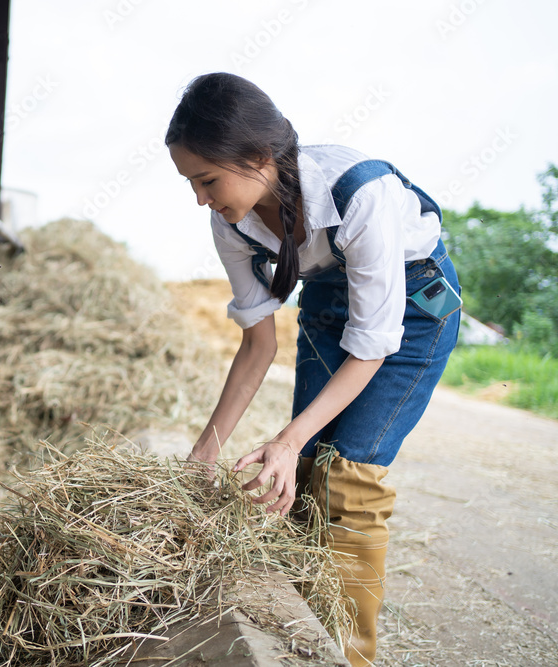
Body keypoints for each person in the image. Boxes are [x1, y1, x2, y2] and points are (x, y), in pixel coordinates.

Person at [165, 73, 461, 666]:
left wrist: (287, 436)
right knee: (298, 478)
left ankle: (348, 657)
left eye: (206, 180)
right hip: (328, 302)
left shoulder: (360, 190)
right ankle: (305, 637)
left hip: (412, 312)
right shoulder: (230, 220)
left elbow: (374, 344)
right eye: (191, 184)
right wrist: (205, 452)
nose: (201, 198)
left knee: (347, 475)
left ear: (256, 157)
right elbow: (257, 346)